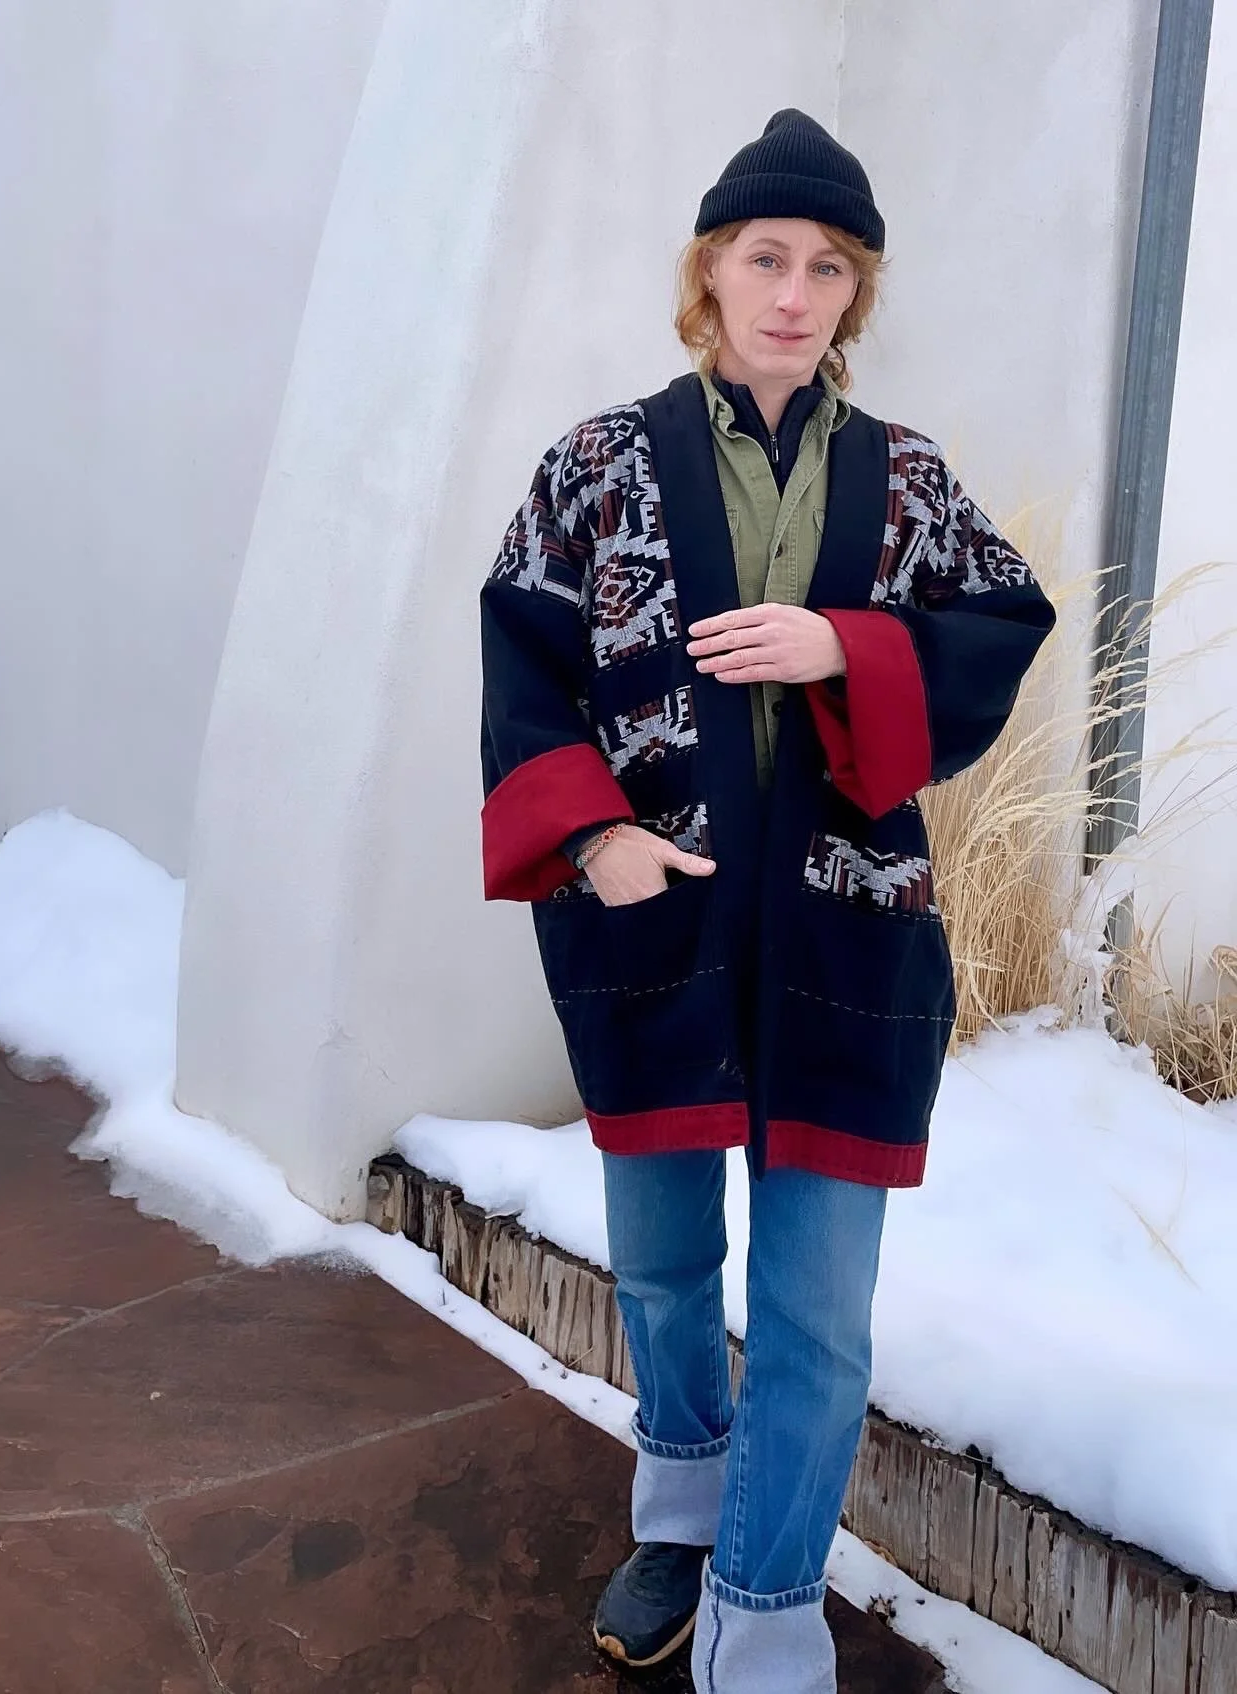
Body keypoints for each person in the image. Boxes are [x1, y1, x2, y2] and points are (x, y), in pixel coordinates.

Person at [477, 109, 1055, 1694]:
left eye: (828, 268)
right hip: (651, 924)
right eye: (765, 258)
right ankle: (681, 1510)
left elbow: (1005, 622)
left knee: (819, 1314)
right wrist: (595, 837)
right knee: (664, 1266)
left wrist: (845, 647)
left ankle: (769, 1612)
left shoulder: (909, 479)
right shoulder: (598, 463)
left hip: (846, 937)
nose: (795, 294)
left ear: (856, 292)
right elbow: (521, 650)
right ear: (711, 272)